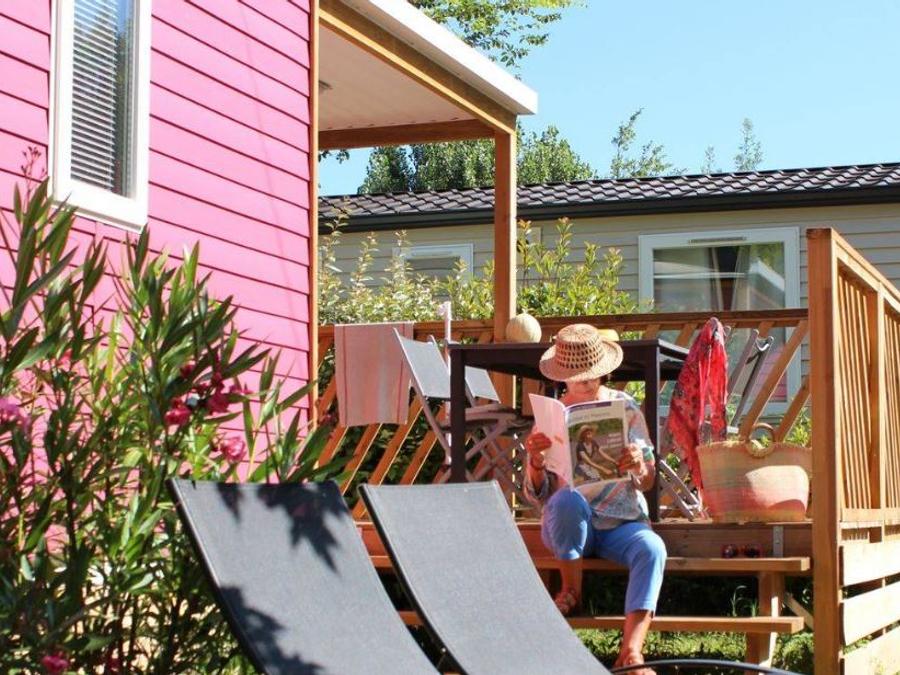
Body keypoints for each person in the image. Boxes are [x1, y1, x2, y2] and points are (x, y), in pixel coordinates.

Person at [524, 323, 666, 673]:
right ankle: (571, 591)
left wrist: (638, 464)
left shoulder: (625, 407)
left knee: (652, 548)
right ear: (563, 376)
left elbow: (648, 481)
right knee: (566, 500)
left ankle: (632, 653)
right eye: (579, 376)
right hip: (571, 525)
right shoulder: (552, 415)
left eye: (593, 374)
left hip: (621, 520)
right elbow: (536, 496)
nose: (587, 382)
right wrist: (535, 462)